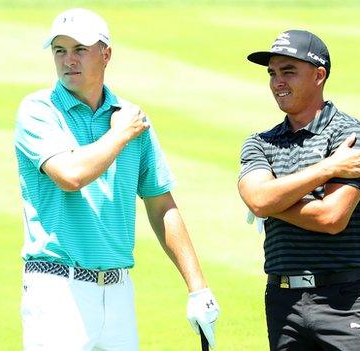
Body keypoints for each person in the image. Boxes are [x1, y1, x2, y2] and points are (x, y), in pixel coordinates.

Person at [14, 8, 219, 350]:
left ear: (105, 54)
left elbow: (160, 203)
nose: (68, 61)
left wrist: (198, 287)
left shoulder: (130, 118)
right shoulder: (38, 110)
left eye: (79, 49)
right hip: (57, 290)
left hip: (119, 290)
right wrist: (120, 134)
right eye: (59, 50)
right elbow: (70, 175)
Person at [238, 30, 360, 350]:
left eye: (288, 71)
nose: (277, 82)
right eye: (272, 73)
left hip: (344, 302)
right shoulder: (260, 143)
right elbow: (259, 200)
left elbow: (332, 217)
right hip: (282, 302)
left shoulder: (351, 134)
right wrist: (328, 169)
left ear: (319, 75)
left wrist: (274, 197)